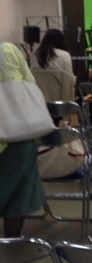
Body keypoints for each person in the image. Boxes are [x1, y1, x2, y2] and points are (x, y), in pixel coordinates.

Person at [0, 42, 47, 237]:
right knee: (17, 199)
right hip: (14, 137)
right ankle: (11, 244)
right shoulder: (7, 51)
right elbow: (27, 85)